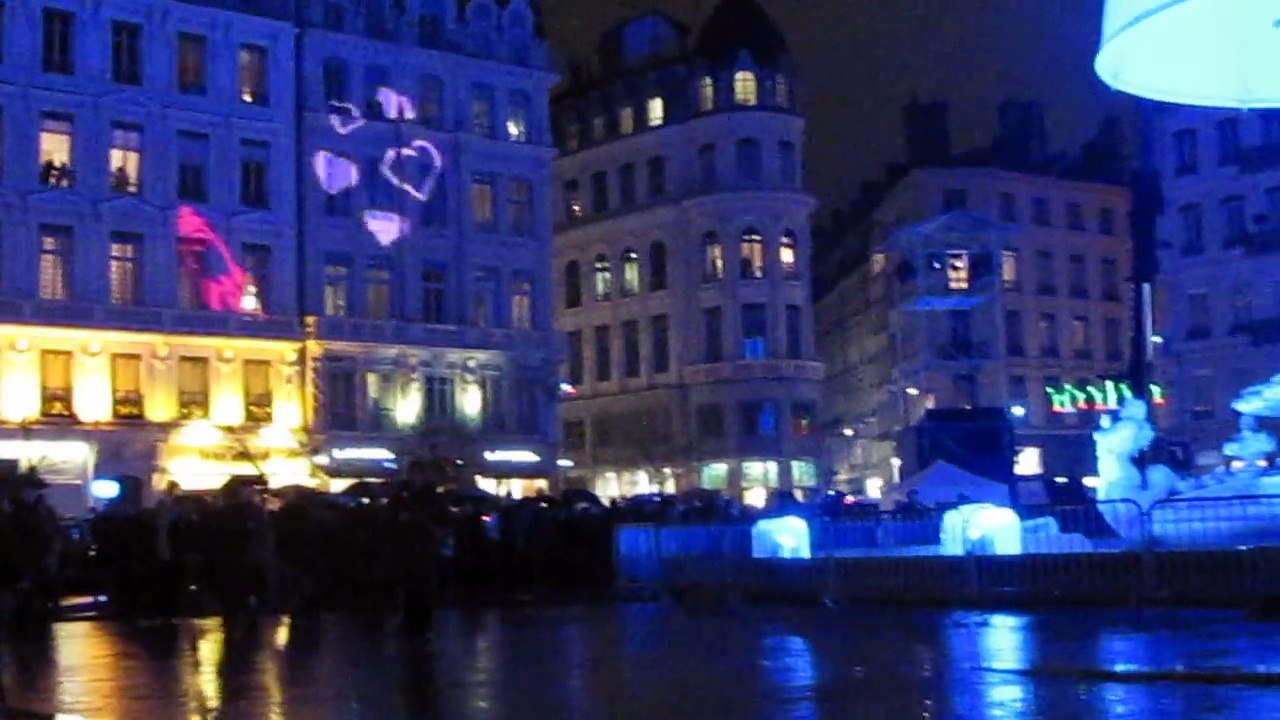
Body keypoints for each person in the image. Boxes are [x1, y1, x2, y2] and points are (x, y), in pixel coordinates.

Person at [388, 461, 447, 637]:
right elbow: (391, 516)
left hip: (423, 547)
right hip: (408, 547)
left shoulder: (430, 497)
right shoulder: (404, 495)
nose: (414, 478)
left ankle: (421, 624)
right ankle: (411, 622)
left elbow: (442, 519)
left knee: (422, 587)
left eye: (417, 474)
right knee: (410, 586)